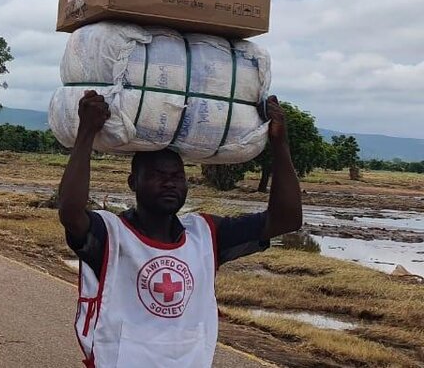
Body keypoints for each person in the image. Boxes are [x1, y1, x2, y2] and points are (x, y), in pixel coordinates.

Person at [58, 92, 302, 367]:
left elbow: (286, 219)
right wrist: (87, 132)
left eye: (176, 176)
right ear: (132, 183)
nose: (169, 183)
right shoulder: (110, 234)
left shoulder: (206, 234)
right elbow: (70, 212)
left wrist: (280, 144)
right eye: (156, 176)